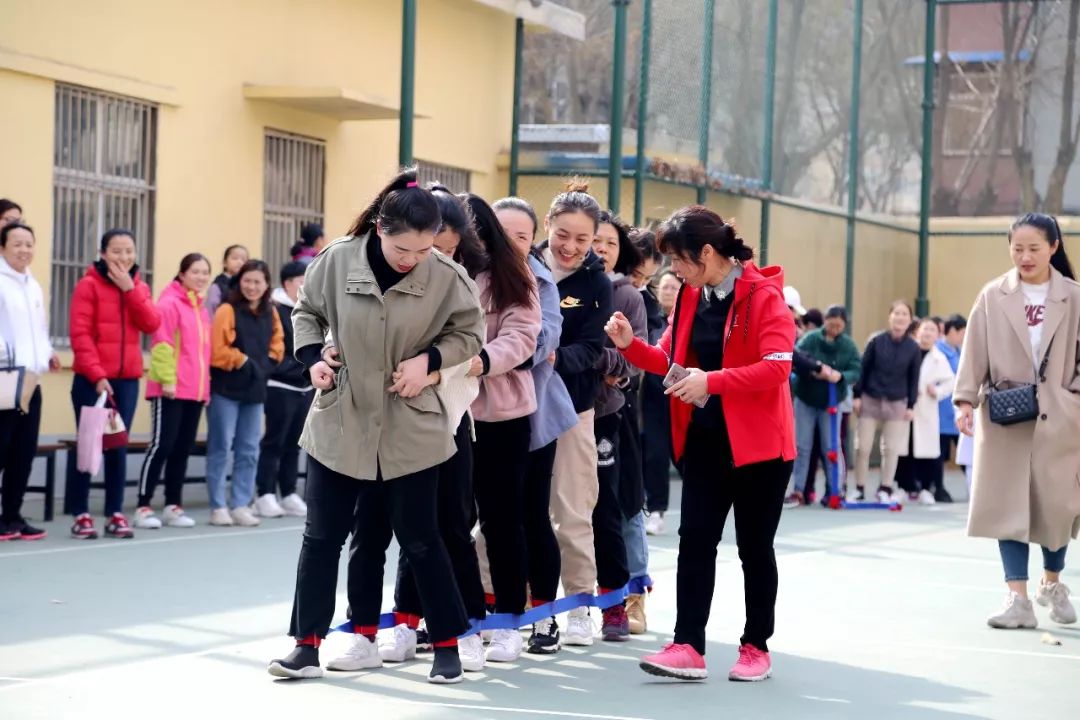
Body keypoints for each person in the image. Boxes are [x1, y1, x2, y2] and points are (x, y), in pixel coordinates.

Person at [267, 169, 484, 685]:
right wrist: (313, 358)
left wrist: (430, 361)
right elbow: (307, 313)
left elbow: (469, 334)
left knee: (422, 538)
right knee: (321, 537)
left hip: (412, 426)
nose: (413, 260)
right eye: (403, 249)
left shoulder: (448, 276)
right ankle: (305, 646)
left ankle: (447, 645)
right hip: (341, 420)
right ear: (380, 230)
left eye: (424, 250)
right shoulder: (336, 259)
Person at [607, 205, 795, 682]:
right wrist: (631, 344)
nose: (675, 273)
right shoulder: (693, 296)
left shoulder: (765, 296)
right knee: (694, 542)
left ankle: (756, 647)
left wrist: (711, 381)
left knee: (755, 549)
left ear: (707, 253)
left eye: (680, 262)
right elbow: (669, 360)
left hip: (761, 450)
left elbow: (777, 367)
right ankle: (688, 644)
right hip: (707, 442)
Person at [954, 212, 1079, 630]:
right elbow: (975, 350)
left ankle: (1052, 582)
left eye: (1034, 248)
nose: (1024, 256)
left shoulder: (1074, 297)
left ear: (1054, 248)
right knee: (1006, 503)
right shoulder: (992, 296)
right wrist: (965, 400)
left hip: (1060, 417)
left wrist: (1070, 398)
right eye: (1017, 248)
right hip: (1005, 416)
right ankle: (1017, 599)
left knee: (1058, 506)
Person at [382, 185, 488, 671]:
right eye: (430, 249)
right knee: (413, 530)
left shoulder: (459, 282)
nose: (436, 258)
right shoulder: (392, 275)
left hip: (451, 420)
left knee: (453, 526)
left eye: (446, 249)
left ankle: (467, 626)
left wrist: (434, 367)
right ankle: (405, 623)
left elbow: (468, 348)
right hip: (404, 422)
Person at [459, 192, 542, 663]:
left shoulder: (515, 276)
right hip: (449, 415)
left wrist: (477, 362)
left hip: (503, 416)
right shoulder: (438, 272)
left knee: (502, 520)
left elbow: (521, 338)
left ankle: (510, 619)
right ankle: (465, 620)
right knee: (452, 521)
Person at [492, 196, 576, 654]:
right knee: (473, 517)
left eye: (521, 236)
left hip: (532, 413)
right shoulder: (467, 276)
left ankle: (542, 615)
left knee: (530, 514)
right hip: (472, 414)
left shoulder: (538, 280)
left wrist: (495, 348)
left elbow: (541, 341)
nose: (511, 243)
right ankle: (478, 611)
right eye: (502, 233)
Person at [540, 180, 614, 647]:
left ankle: (580, 606)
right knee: (502, 509)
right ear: (547, 226)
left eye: (581, 239)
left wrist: (553, 358)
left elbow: (593, 347)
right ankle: (498, 602)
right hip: (514, 405)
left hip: (572, 407)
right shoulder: (522, 268)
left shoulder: (597, 283)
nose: (569, 246)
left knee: (572, 509)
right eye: (562, 234)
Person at [66, 229, 161, 539]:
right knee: (90, 443)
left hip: (127, 381)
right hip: (91, 381)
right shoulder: (88, 285)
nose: (124, 257)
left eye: (129, 251)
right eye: (117, 251)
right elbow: (80, 335)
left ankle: (114, 513)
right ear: (103, 253)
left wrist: (130, 289)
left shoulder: (138, 286)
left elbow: (151, 323)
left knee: (117, 446)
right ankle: (80, 513)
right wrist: (96, 375)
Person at [591, 210, 645, 641]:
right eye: (596, 240)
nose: (600, 249)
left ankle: (618, 603)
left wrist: (607, 363)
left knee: (611, 507)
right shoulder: (557, 284)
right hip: (553, 411)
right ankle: (540, 602)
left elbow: (635, 361)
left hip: (607, 414)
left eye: (609, 242)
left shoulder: (628, 297)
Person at [134, 253, 213, 529]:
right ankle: (143, 506)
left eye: (205, 272)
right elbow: (162, 344)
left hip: (195, 391)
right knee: (161, 446)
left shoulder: (201, 308)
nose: (201, 277)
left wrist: (205, 388)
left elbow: (202, 354)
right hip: (170, 389)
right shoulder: (169, 303)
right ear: (182, 274)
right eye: (195, 271)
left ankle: (173, 506)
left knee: (182, 449)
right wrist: (167, 380)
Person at [207, 260, 284, 528]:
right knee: (220, 447)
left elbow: (278, 345)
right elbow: (218, 350)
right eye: (247, 281)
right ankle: (218, 506)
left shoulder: (270, 312)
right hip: (225, 390)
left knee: (249, 449)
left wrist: (266, 364)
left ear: (266, 285)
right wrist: (243, 361)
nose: (252, 286)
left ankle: (240, 504)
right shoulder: (227, 309)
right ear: (240, 282)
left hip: (255, 391)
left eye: (258, 282)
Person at [0, 223, 60, 540]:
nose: (24, 250)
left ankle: (12, 516)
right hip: (5, 378)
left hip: (31, 380)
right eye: (17, 244)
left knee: (23, 452)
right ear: (3, 247)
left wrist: (47, 353)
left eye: (29, 244)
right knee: (2, 448)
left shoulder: (32, 285)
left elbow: (39, 329)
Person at [785, 305, 861, 507]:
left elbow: (856, 370)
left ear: (844, 325)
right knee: (802, 446)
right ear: (825, 321)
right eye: (831, 324)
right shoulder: (810, 339)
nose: (834, 329)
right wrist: (813, 373)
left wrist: (841, 376)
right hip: (806, 399)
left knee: (832, 446)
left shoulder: (848, 345)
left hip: (831, 403)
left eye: (838, 325)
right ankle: (798, 491)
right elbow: (797, 361)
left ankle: (836, 489)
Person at [254, 261, 313, 519]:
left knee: (294, 443)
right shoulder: (275, 310)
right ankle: (265, 493)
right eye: (302, 281)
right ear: (288, 284)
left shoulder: (311, 309)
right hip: (279, 385)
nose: (305, 286)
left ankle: (288, 492)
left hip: (305, 386)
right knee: (273, 441)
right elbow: (280, 350)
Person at [853, 300, 920, 504]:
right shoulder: (876, 340)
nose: (900, 317)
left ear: (910, 320)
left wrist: (911, 406)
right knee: (862, 447)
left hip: (897, 402)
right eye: (896, 313)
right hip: (870, 399)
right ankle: (859, 488)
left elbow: (913, 378)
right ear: (890, 316)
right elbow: (862, 369)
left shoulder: (913, 348)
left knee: (891, 448)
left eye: (904, 314)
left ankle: (885, 487)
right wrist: (857, 395)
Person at [637, 239, 675, 538]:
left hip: (678, 397)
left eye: (673, 287)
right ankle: (652, 509)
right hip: (648, 397)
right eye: (663, 286)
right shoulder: (647, 312)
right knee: (651, 454)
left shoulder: (688, 319)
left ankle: (659, 509)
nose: (667, 291)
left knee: (672, 454)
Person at [895, 318, 954, 505]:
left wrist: (936, 391)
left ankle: (926, 489)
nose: (928, 333)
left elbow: (951, 382)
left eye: (932, 330)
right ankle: (903, 487)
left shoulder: (939, 357)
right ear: (917, 332)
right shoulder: (906, 351)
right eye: (925, 329)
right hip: (905, 407)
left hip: (926, 408)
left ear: (938, 335)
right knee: (904, 448)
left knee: (927, 450)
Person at [935, 313, 967, 502]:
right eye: (962, 332)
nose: (964, 336)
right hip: (941, 411)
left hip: (957, 412)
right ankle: (938, 488)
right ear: (952, 331)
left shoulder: (961, 352)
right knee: (940, 455)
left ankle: (975, 486)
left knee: (964, 453)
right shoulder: (938, 352)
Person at [207, 244, 249, 316]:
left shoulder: (247, 285)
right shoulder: (217, 286)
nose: (240, 262)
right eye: (235, 258)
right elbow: (211, 312)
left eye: (243, 259)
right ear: (224, 263)